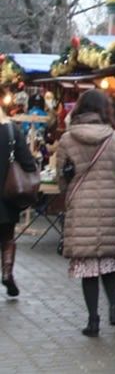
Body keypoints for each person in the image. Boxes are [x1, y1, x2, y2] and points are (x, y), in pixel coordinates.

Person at [57, 89, 115, 336]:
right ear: (104, 110)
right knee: (108, 261)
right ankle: (114, 308)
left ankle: (93, 320)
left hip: (81, 205)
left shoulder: (67, 139)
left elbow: (62, 179)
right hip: (111, 203)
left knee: (88, 265)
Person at [0, 105, 37, 297]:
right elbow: (28, 163)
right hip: (6, 196)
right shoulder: (10, 130)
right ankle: (7, 273)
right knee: (7, 237)